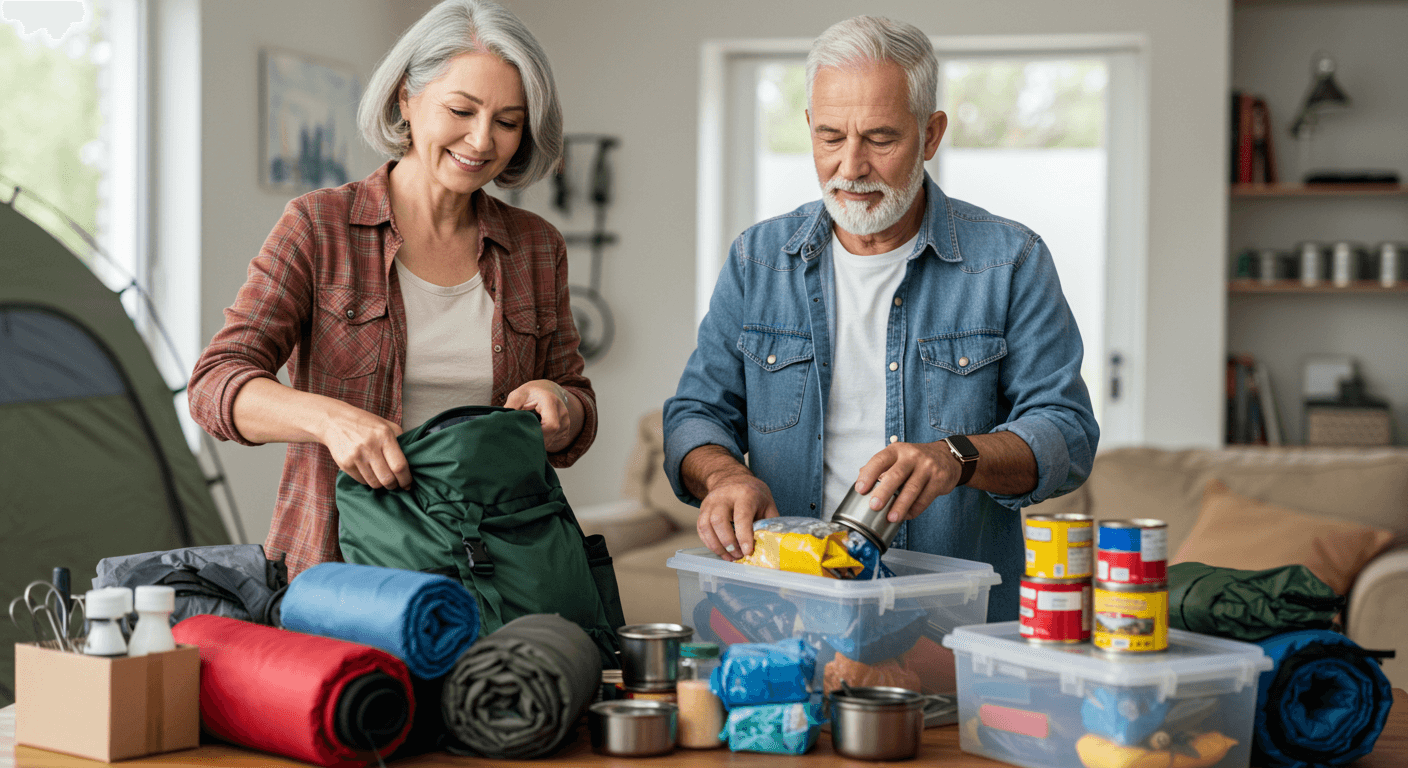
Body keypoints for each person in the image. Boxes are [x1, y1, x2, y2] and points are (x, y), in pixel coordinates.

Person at [663, 15, 1098, 620]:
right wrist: (724, 477)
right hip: (783, 608)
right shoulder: (757, 260)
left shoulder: (1010, 260)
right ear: (810, 128)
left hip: (948, 620)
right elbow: (696, 414)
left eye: (881, 138)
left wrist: (958, 457)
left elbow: (1067, 433)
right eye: (831, 137)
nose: (851, 166)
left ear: (932, 134)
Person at [189, 0, 595, 578]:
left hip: (499, 570)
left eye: (507, 121)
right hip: (342, 568)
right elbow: (215, 385)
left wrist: (564, 409)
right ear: (406, 96)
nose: (481, 141)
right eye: (461, 109)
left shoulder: (536, 245)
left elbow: (576, 396)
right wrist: (331, 421)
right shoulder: (319, 225)